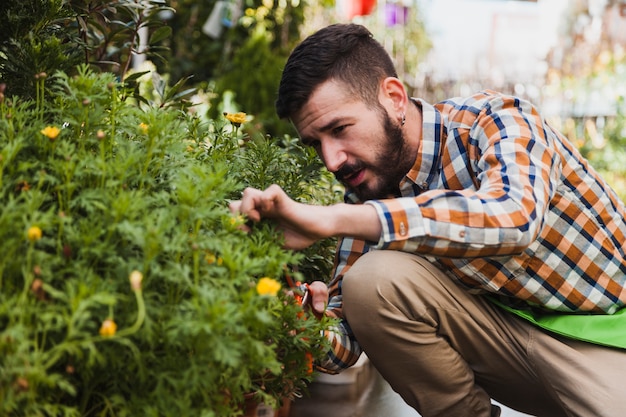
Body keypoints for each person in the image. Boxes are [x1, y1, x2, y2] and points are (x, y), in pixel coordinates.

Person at [229, 23, 626, 417]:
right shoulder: (370, 195)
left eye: (340, 129)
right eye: (316, 143)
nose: (332, 159)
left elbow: (514, 217)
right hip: (515, 351)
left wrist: (334, 219)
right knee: (369, 282)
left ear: (394, 98)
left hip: (606, 339)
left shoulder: (496, 121)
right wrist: (297, 315)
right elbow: (344, 346)